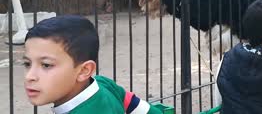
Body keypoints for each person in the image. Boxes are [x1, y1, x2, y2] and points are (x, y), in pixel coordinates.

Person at [23, 15, 162, 114]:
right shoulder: (103, 84)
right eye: (27, 63)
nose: (30, 76)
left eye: (46, 65)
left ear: (84, 71)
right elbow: (145, 109)